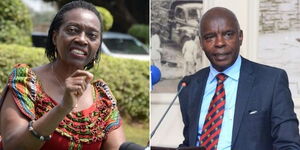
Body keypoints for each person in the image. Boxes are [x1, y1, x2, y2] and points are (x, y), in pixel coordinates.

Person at [0, 1, 125, 149]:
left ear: (98, 46)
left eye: (92, 35)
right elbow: (13, 145)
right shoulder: (25, 82)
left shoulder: (103, 99)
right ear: (54, 37)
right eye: (72, 30)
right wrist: (63, 107)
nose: (82, 39)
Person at [178, 7, 300, 150]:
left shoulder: (271, 81)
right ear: (201, 43)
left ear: (240, 37)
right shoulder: (189, 86)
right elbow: (190, 142)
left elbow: (289, 145)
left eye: (228, 34)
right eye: (209, 37)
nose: (219, 43)